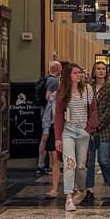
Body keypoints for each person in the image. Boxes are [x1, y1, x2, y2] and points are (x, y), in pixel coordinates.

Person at [54, 63, 97, 213]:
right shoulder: (62, 92)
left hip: (83, 131)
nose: (78, 75)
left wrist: (89, 128)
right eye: (75, 73)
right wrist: (58, 138)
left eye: (79, 73)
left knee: (81, 166)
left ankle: (81, 189)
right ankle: (68, 198)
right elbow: (59, 115)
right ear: (68, 76)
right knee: (69, 164)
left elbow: (93, 111)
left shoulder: (87, 90)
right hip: (68, 131)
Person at [84, 61, 110, 201]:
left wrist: (98, 124)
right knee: (90, 161)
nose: (100, 71)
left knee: (103, 159)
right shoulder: (88, 87)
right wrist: (90, 125)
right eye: (98, 69)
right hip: (90, 128)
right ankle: (89, 189)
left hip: (106, 128)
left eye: (103, 69)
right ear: (94, 71)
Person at [37, 59, 62, 195]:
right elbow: (49, 108)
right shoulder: (54, 84)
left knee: (60, 157)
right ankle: (55, 188)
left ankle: (41, 164)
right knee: (54, 157)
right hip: (54, 125)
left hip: (62, 127)